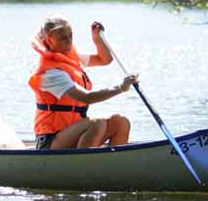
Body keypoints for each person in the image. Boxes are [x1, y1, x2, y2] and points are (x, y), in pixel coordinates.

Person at [29, 16, 137, 150]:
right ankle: (83, 161)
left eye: (70, 35)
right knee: (96, 123)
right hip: (50, 140)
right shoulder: (50, 72)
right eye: (63, 38)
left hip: (73, 133)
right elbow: (86, 97)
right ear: (49, 40)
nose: (69, 41)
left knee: (121, 122)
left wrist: (97, 39)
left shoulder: (70, 56)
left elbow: (105, 59)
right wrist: (120, 88)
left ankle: (113, 161)